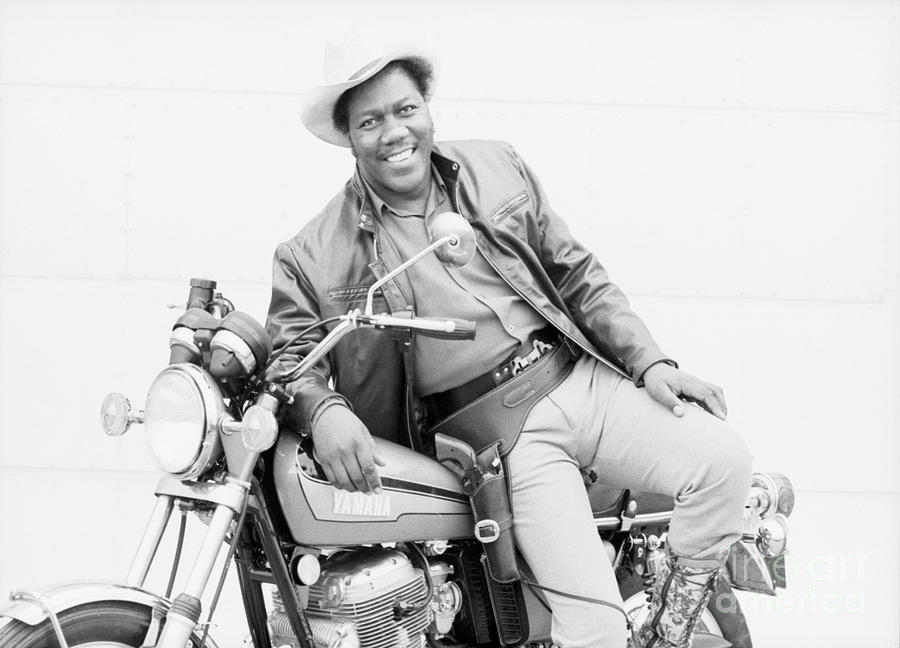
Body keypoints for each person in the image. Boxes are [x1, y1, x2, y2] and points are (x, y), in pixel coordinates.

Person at [266, 39, 753, 648]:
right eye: (371, 120)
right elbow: (290, 361)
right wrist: (324, 409)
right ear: (348, 136)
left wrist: (649, 360)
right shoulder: (312, 253)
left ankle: (668, 632)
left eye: (405, 109)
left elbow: (575, 271)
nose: (395, 131)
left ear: (426, 107)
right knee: (595, 627)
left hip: (576, 375)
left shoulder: (498, 165)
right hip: (499, 437)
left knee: (724, 461)